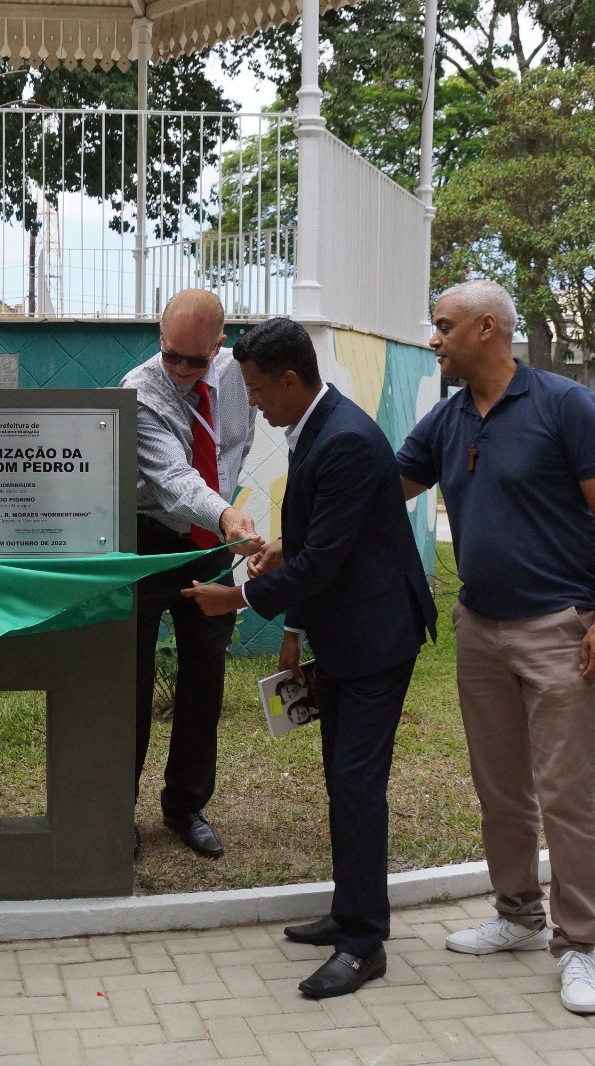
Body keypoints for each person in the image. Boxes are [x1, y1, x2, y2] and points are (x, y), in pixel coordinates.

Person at [396, 279, 595, 1016]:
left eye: (444, 325)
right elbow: (381, 487)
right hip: (480, 628)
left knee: (566, 794)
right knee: (500, 789)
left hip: (560, 627)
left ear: (487, 329)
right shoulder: (449, 419)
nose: (434, 338)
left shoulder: (564, 405)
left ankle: (579, 943)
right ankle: (518, 915)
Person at [185, 317, 435, 998]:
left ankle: (364, 944)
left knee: (357, 786)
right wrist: (291, 615)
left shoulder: (345, 439)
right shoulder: (315, 426)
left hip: (378, 640)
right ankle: (350, 914)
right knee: (342, 782)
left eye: (258, 390)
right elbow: (319, 540)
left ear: (291, 380)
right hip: (343, 635)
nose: (253, 403)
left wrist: (236, 598)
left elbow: (322, 561)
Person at [122, 288, 260, 858]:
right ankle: (116, 811)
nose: (180, 369)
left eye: (195, 360)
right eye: (171, 355)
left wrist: (224, 519)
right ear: (160, 339)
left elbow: (235, 447)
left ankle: (186, 806)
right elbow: (175, 481)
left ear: (219, 346)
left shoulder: (235, 377)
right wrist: (226, 514)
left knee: (205, 676)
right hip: (146, 542)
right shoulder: (139, 391)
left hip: (209, 545)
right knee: (129, 684)